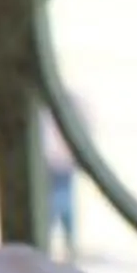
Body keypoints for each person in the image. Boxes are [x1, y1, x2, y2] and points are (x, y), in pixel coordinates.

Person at [43, 108, 83, 262]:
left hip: (56, 163)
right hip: (62, 162)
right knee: (62, 202)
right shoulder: (72, 104)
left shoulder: (45, 110)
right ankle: (68, 244)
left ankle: (62, 243)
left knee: (58, 202)